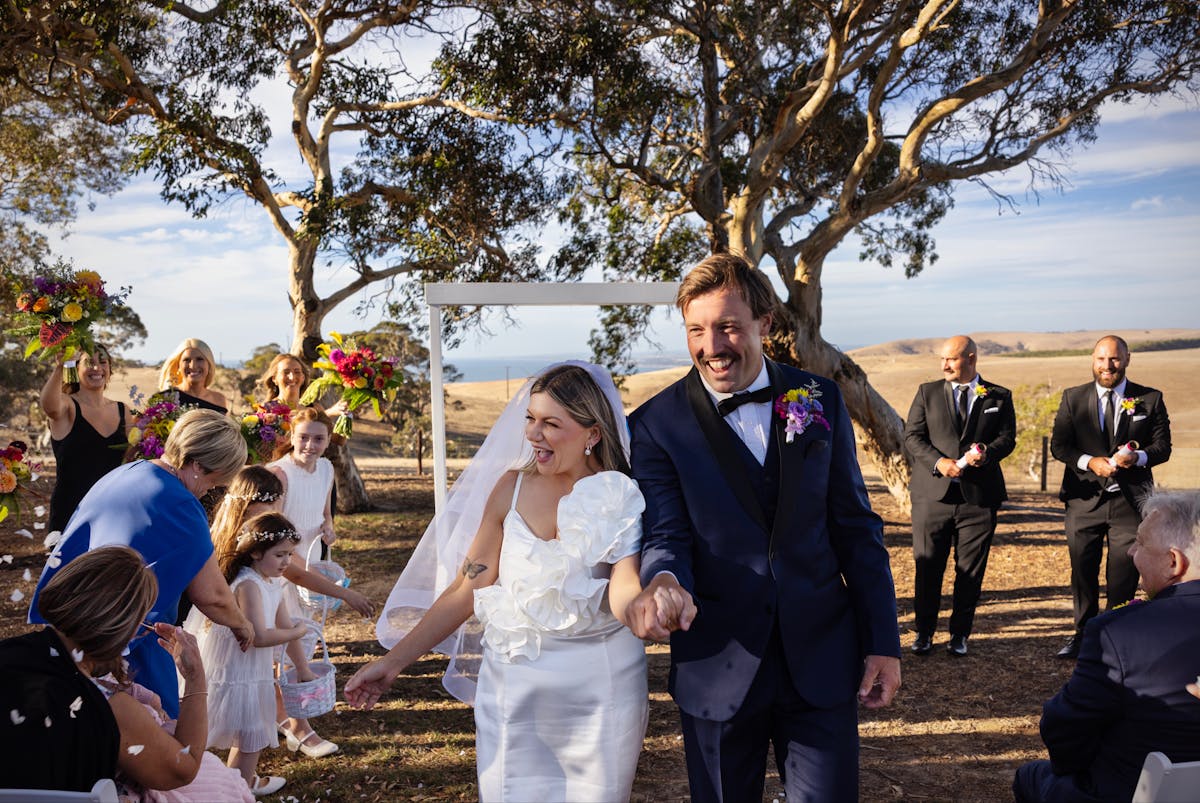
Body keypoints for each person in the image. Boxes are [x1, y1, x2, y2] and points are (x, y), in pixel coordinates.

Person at [624, 253, 902, 802]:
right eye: (696, 330)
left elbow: (855, 526)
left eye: (728, 326)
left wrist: (883, 641)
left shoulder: (818, 399)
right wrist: (663, 581)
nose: (712, 346)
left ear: (765, 323)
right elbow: (666, 534)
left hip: (821, 658)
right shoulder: (653, 427)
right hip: (716, 662)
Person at [347, 363, 688, 801]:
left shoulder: (618, 494)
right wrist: (391, 663)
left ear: (592, 434)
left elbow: (623, 585)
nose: (532, 434)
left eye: (550, 423)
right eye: (530, 418)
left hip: (601, 688)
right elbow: (466, 588)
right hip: (515, 686)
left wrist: (640, 614)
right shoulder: (509, 488)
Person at [28, 409, 254, 718]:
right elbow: (211, 595)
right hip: (128, 638)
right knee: (156, 737)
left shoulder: (125, 472)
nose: (210, 491)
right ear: (197, 465)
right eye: (214, 482)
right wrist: (242, 623)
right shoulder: (181, 505)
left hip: (73, 623)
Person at [1, 546, 252, 802]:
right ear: (124, 628)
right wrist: (196, 678)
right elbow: (181, 770)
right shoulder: (107, 706)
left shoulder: (9, 653)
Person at [1013, 489, 1200, 802]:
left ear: (1173, 562)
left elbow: (1065, 731)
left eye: (1140, 542)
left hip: (1126, 790)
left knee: (1030, 776)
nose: (1129, 552)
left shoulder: (1120, 632)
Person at [208, 465, 374, 760]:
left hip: (267, 609)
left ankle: (282, 737)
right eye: (269, 503)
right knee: (246, 714)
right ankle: (287, 732)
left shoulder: (270, 550)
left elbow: (292, 590)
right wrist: (345, 594)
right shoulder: (246, 558)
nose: (275, 509)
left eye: (277, 502)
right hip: (238, 635)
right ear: (245, 504)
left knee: (256, 713)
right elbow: (296, 578)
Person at [1049, 335, 1172, 659]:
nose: (1108, 366)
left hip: (1129, 504)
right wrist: (1089, 462)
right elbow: (1059, 446)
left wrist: (1140, 457)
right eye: (1101, 359)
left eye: (1115, 359)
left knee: (1124, 575)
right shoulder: (1073, 398)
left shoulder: (1150, 398)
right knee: (1082, 574)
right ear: (1092, 360)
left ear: (1127, 359)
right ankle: (1083, 637)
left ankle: (1116, 640)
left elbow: (1163, 448)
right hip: (1083, 501)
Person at [903, 335, 1016, 656]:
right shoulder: (927, 393)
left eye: (951, 359)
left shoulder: (998, 396)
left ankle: (959, 635)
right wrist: (939, 463)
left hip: (979, 498)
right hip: (932, 497)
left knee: (970, 571)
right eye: (942, 359)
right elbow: (912, 437)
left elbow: (1008, 439)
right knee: (928, 568)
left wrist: (988, 454)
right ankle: (923, 633)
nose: (944, 365)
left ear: (971, 358)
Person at [186, 512, 310, 796]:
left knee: (248, 734)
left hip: (251, 670)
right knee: (249, 734)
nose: (286, 562)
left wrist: (302, 666)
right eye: (280, 555)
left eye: (290, 554)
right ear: (255, 552)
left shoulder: (270, 581)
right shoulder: (249, 584)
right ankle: (237, 789)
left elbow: (284, 622)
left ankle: (239, 783)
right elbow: (260, 637)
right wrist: (296, 633)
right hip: (236, 670)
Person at [265, 407, 341, 758]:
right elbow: (272, 532)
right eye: (303, 437)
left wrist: (328, 530)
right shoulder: (280, 474)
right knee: (289, 644)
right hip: (282, 567)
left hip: (313, 562)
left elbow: (325, 516)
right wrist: (299, 571)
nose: (310, 445)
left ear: (328, 440)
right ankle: (298, 727)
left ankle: (285, 715)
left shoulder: (326, 469)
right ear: (291, 437)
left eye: (319, 438)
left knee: (306, 640)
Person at [40, 345, 127, 533]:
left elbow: (135, 457)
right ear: (76, 369)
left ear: (109, 370)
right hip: (71, 512)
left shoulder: (124, 411)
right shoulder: (67, 405)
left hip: (112, 512)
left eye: (102, 362)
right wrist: (60, 367)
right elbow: (49, 407)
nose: (96, 368)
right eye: (89, 363)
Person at [158, 338, 229, 414]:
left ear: (209, 365)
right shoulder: (164, 399)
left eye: (199, 359)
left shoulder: (219, 400)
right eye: (186, 360)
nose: (193, 366)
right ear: (178, 366)